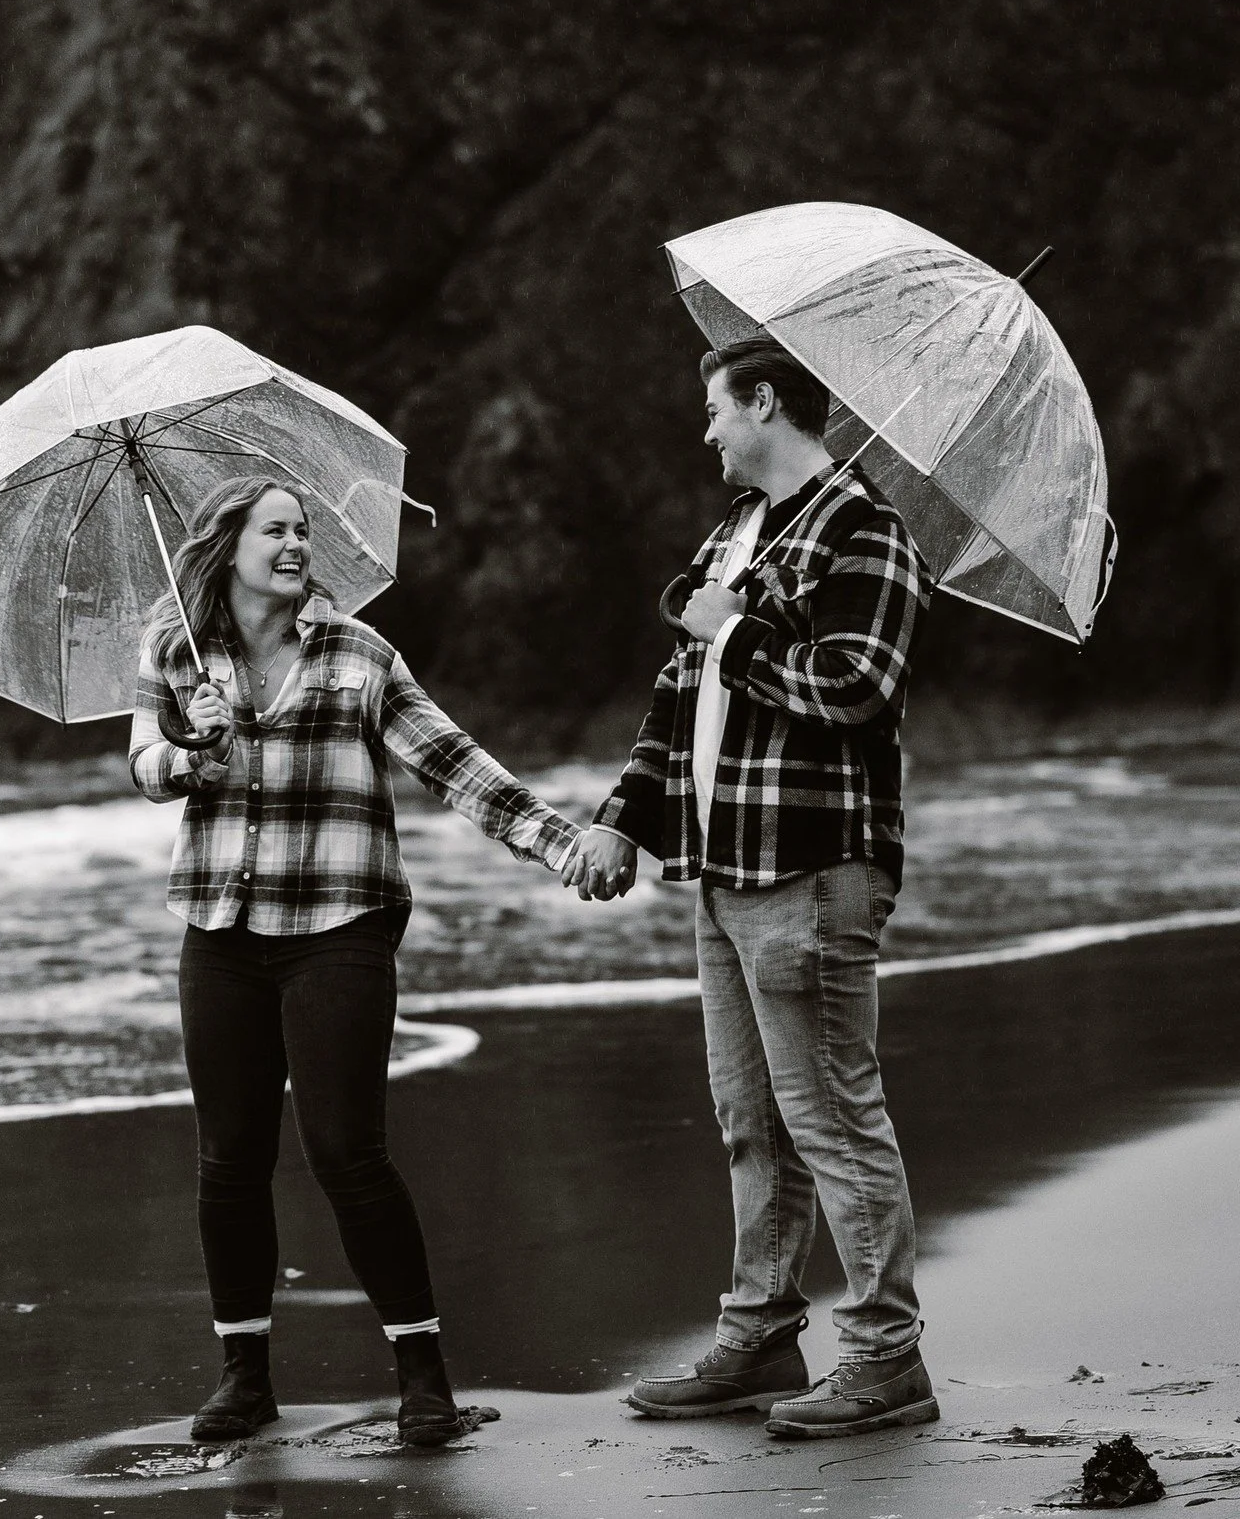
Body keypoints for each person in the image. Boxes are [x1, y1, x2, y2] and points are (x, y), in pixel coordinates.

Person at [130, 474, 585, 1447]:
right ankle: (244, 1378)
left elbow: (451, 761)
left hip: (340, 924)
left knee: (346, 1151)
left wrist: (558, 843)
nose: (296, 544)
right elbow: (143, 764)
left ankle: (424, 1376)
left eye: (302, 529)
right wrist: (191, 748)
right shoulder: (174, 648)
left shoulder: (358, 653)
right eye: (275, 530)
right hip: (219, 927)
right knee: (229, 1160)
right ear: (227, 546)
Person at [566, 335, 937, 1439]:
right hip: (722, 866)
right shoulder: (735, 533)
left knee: (831, 1112)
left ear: (765, 402)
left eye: (717, 410)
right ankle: (762, 1335)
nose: (708, 432)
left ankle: (886, 1357)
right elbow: (675, 699)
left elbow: (857, 687)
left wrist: (732, 633)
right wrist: (623, 818)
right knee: (752, 1119)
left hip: (812, 864)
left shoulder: (867, 530)